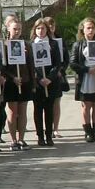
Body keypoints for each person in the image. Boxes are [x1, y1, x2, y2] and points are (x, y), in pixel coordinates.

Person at [70, 17, 95, 143]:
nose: (91, 30)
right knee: (86, 105)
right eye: (88, 28)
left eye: (93, 28)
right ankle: (88, 133)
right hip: (86, 78)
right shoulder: (78, 45)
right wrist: (86, 69)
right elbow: (73, 63)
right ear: (83, 30)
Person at [30, 17, 65, 147]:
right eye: (38, 28)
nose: (40, 31)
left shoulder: (53, 44)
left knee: (49, 109)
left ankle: (49, 135)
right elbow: (31, 65)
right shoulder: (31, 44)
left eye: (43, 28)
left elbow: (57, 64)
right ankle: (40, 136)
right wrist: (39, 79)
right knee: (38, 110)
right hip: (37, 82)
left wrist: (49, 78)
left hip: (51, 82)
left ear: (47, 29)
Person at [2, 16, 31, 151]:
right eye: (14, 29)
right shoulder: (5, 45)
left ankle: (22, 139)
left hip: (24, 81)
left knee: (23, 111)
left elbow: (31, 64)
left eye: (19, 29)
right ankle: (13, 140)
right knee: (13, 112)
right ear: (9, 29)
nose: (17, 31)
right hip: (11, 82)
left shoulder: (26, 45)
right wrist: (12, 77)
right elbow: (3, 67)